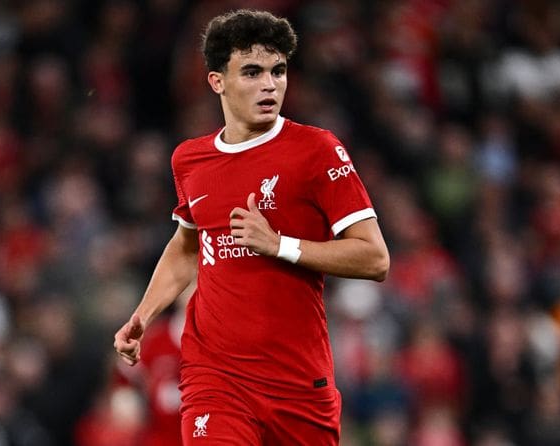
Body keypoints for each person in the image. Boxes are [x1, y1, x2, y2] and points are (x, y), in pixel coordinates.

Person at [114, 9, 390, 445]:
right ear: (217, 81)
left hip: (298, 385)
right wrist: (143, 316)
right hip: (216, 377)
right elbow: (188, 246)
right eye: (253, 71)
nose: (270, 84)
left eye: (278, 71)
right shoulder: (190, 160)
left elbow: (375, 258)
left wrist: (280, 244)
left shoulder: (316, 150)